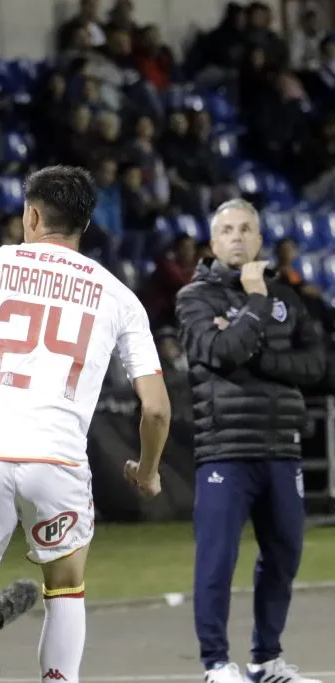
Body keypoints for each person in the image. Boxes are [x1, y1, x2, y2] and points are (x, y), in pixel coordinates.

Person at [0, 165, 171, 683]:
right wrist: (148, 471)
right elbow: (155, 408)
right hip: (57, 460)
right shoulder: (118, 296)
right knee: (65, 592)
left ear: (33, 215)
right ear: (84, 223)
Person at [175, 198, 325, 683]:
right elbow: (220, 351)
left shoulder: (292, 299)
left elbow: (319, 366)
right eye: (227, 230)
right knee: (217, 559)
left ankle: (266, 660)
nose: (238, 237)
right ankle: (216, 663)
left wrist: (255, 357)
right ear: (214, 241)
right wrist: (257, 302)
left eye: (246, 229)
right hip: (225, 449)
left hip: (282, 447)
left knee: (285, 556)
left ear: (260, 239)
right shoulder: (195, 298)